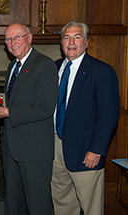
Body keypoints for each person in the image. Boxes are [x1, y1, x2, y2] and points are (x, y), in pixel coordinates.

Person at [51, 21, 120, 215]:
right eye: (66, 37)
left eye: (77, 37)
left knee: (91, 208)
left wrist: (96, 150)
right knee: (62, 203)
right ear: (61, 43)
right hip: (56, 147)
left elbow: (109, 115)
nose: (71, 42)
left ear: (87, 42)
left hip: (86, 151)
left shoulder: (102, 71)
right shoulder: (54, 68)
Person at [0, 23, 58, 215]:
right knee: (14, 205)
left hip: (34, 151)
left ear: (30, 38)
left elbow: (45, 107)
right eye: (8, 39)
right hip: (12, 149)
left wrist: (10, 113)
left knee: (37, 206)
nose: (12, 42)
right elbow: (16, 98)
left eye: (17, 37)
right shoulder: (13, 66)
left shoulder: (44, 64)